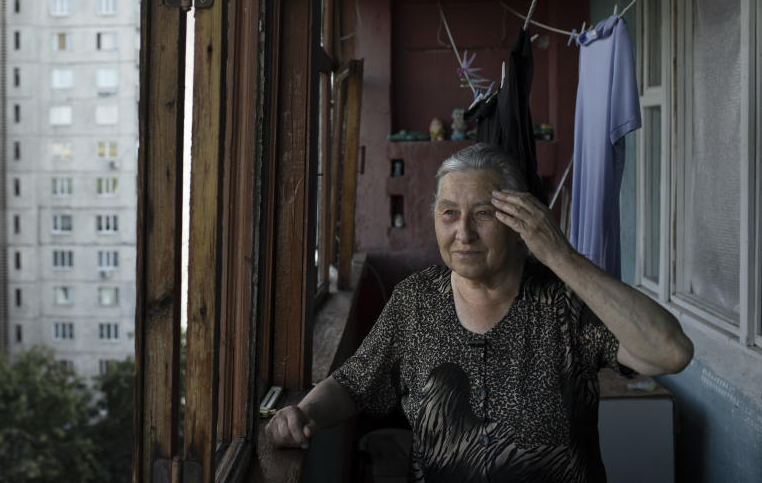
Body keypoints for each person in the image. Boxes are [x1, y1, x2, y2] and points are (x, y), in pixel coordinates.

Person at [266, 143, 693, 482]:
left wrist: (561, 256)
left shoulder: (565, 301)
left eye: (484, 214)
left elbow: (671, 352)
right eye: (449, 213)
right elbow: (355, 383)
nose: (463, 233)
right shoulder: (416, 300)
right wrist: (304, 414)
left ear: (519, 220)